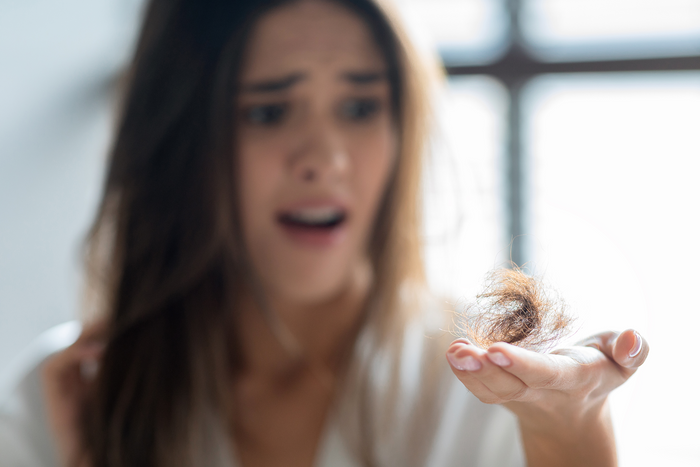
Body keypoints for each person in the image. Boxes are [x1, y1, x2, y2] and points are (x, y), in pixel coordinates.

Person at [0, 0, 649, 466]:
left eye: (361, 106)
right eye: (270, 110)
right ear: (184, 140)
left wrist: (573, 430)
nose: (326, 157)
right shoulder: (61, 403)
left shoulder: (497, 392)